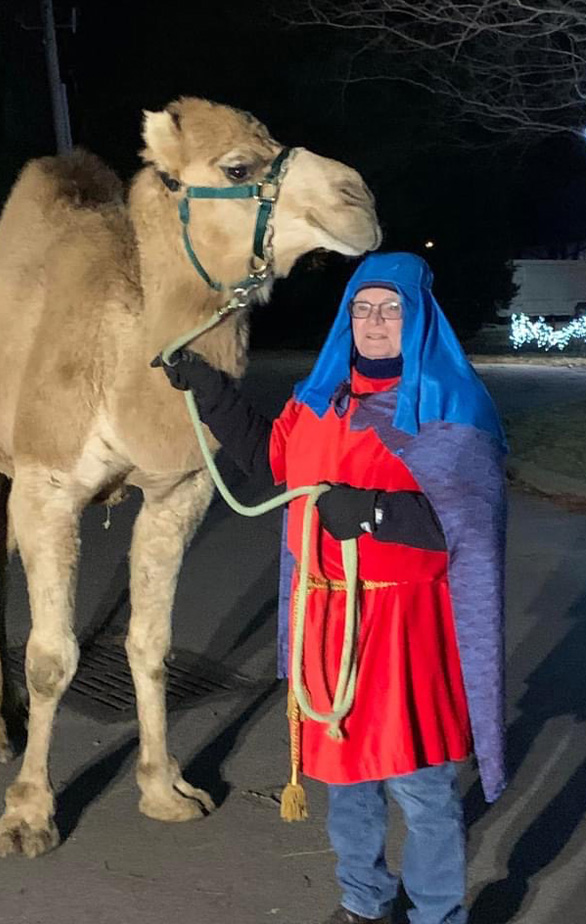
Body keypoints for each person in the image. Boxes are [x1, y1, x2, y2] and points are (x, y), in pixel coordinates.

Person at [153, 252, 507, 924]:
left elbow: (468, 525)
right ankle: (364, 903)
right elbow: (271, 464)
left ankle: (438, 914)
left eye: (391, 309)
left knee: (422, 785)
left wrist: (375, 512)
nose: (375, 321)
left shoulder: (451, 408)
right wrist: (210, 390)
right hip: (327, 617)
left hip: (405, 628)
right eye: (363, 307)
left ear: (419, 317)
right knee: (347, 780)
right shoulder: (322, 399)